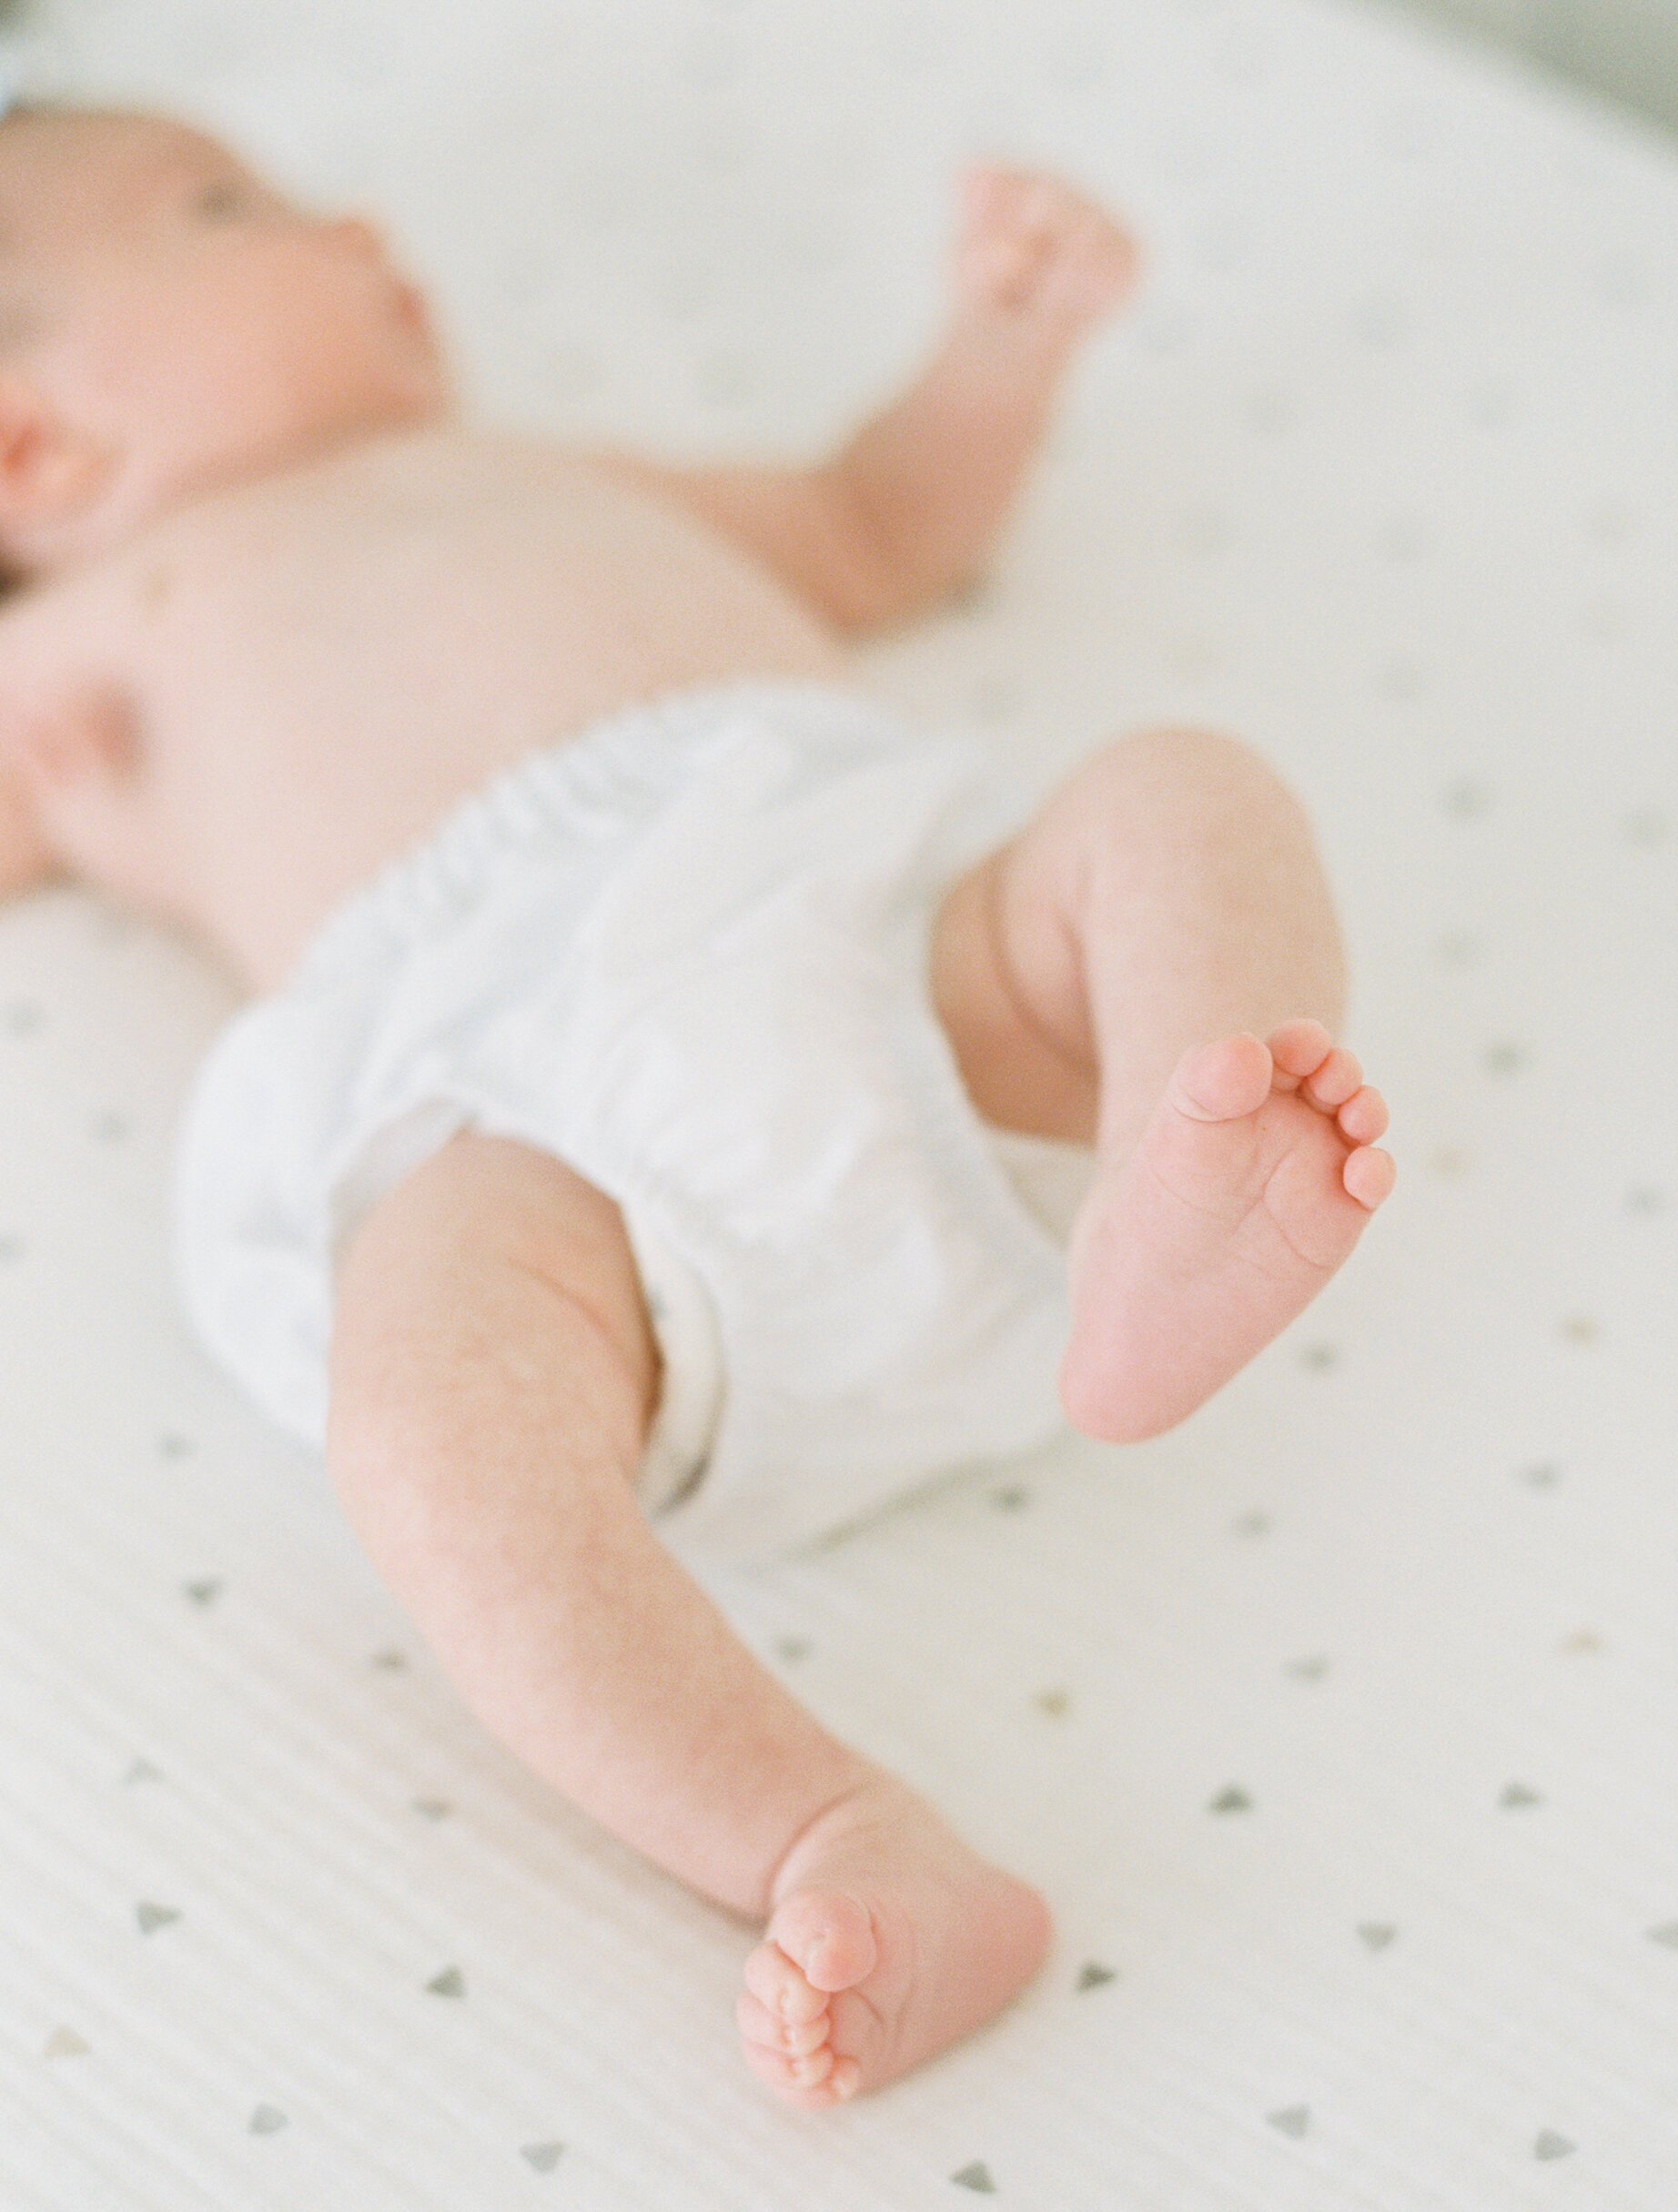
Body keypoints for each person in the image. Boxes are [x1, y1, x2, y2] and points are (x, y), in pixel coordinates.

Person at [0, 103, 1393, 2106]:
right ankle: (826, 1833)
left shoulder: (535, 470)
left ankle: (1184, 1178)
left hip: (861, 938)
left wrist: (999, 346)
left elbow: (875, 525)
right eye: (231, 211)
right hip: (540, 1133)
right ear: (36, 445)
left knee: (1181, 797)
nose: (362, 214)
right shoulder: (78, 651)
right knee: (426, 1395)